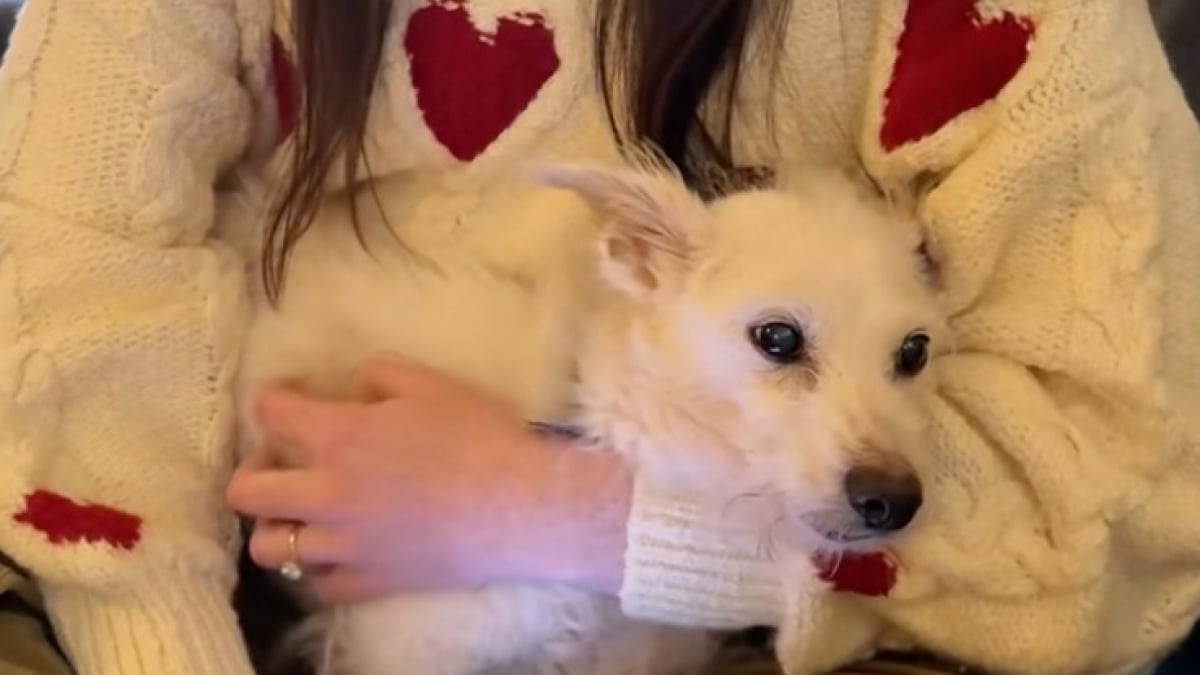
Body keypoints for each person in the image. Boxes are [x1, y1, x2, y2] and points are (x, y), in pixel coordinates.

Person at [0, 1, 1197, 675]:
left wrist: (557, 513)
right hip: (169, 564)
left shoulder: (1015, 36)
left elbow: (1126, 497)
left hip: (844, 620)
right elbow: (73, 290)